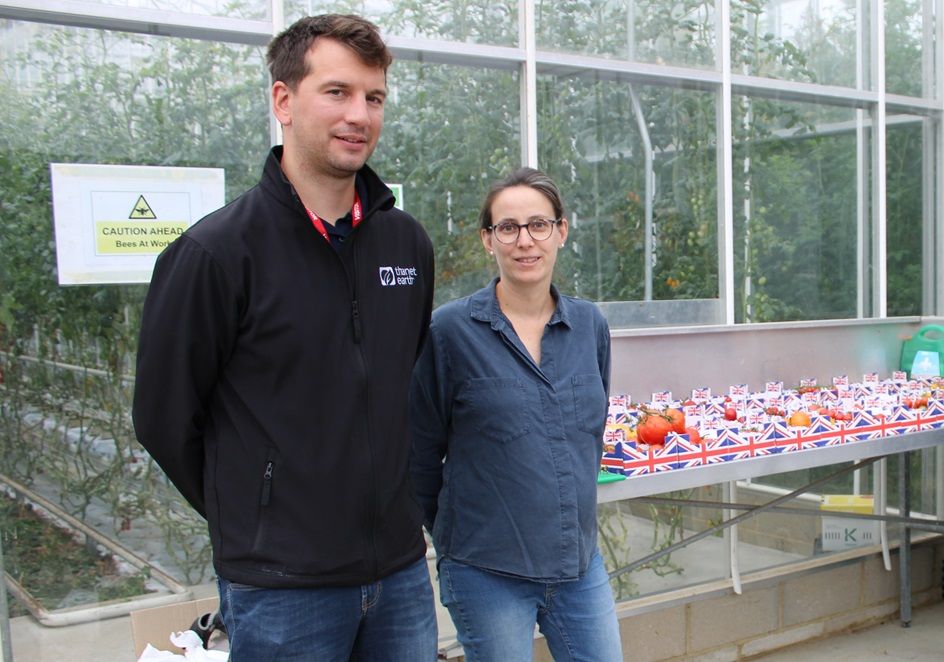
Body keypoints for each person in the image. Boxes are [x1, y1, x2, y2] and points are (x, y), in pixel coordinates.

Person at [131, 14, 437, 660]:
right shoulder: (216, 254)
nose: (360, 113)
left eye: (374, 97)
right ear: (283, 101)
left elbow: (397, 383)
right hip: (283, 591)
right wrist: (261, 515)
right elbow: (163, 420)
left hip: (401, 575)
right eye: (337, 92)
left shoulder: (406, 244)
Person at [408, 167, 621, 662]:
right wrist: (460, 534)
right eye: (508, 227)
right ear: (488, 239)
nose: (525, 241)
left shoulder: (589, 325)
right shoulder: (450, 331)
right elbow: (419, 452)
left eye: (538, 225)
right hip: (488, 570)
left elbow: (588, 432)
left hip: (577, 563)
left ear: (561, 231)